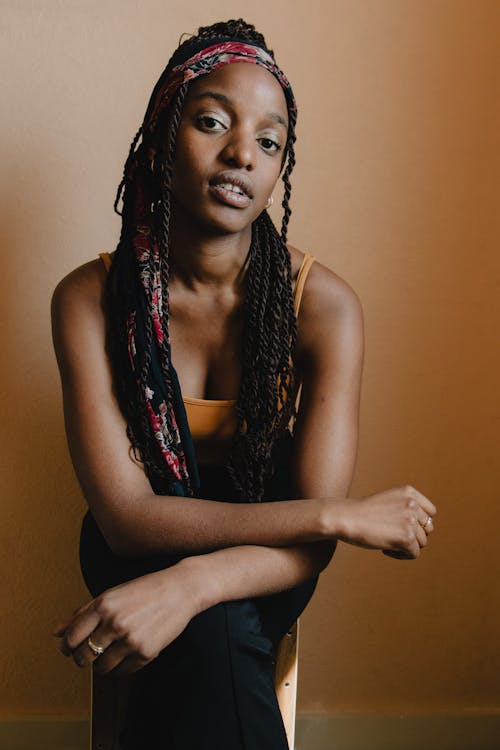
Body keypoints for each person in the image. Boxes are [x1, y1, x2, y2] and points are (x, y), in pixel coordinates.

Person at [51, 18, 436, 750]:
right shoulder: (87, 298)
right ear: (165, 131)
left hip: (276, 552)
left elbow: (304, 547)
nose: (241, 155)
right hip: (139, 540)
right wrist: (331, 515)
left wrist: (191, 583)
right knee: (219, 639)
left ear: (281, 166)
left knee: (210, 625)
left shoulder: (324, 307)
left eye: (269, 141)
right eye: (211, 122)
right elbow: (126, 518)